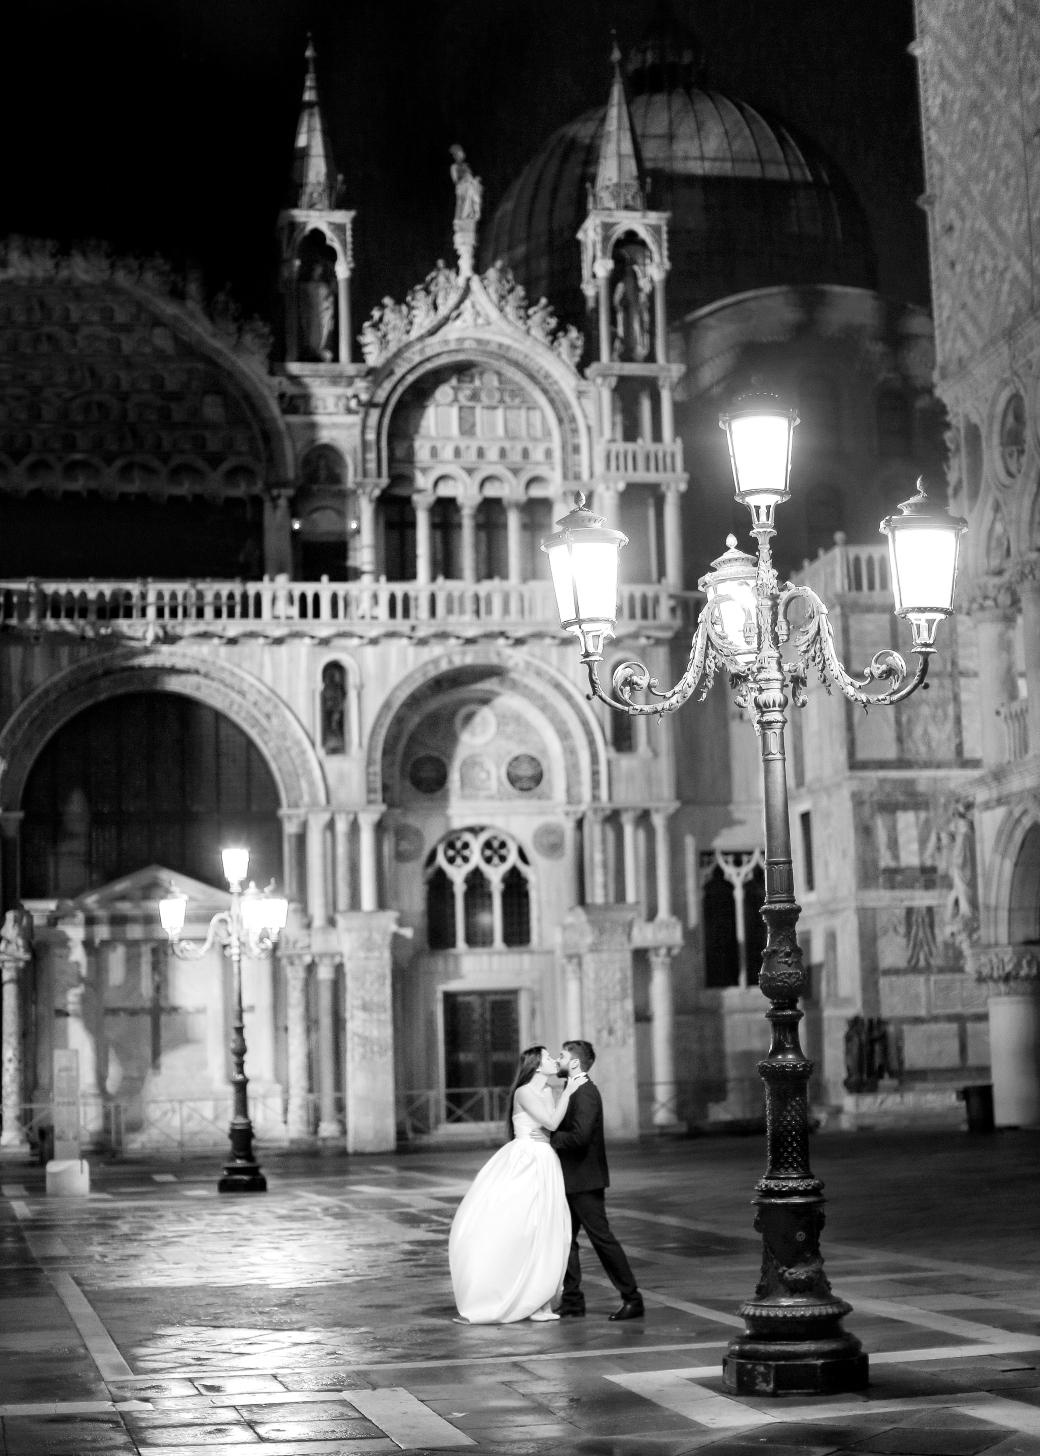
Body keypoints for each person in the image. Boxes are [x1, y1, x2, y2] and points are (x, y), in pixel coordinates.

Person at [449, 1046, 582, 1323]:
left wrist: (561, 1096)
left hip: (546, 1158)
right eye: (547, 1057)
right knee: (523, 1225)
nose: (553, 1060)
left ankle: (540, 1302)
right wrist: (569, 1089)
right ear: (535, 1065)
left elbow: (552, 1125)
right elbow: (553, 1122)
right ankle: (511, 1293)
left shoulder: (548, 1091)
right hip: (526, 1160)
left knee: (547, 1228)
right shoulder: (524, 1092)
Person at [550, 1039, 644, 1321]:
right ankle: (572, 1301)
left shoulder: (586, 1093)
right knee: (565, 1241)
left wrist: (551, 1137)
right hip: (572, 1179)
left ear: (575, 1062)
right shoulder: (573, 1089)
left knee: (602, 1240)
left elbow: (580, 1137)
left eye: (563, 1055)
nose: (558, 1059)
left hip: (585, 1180)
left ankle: (632, 1298)